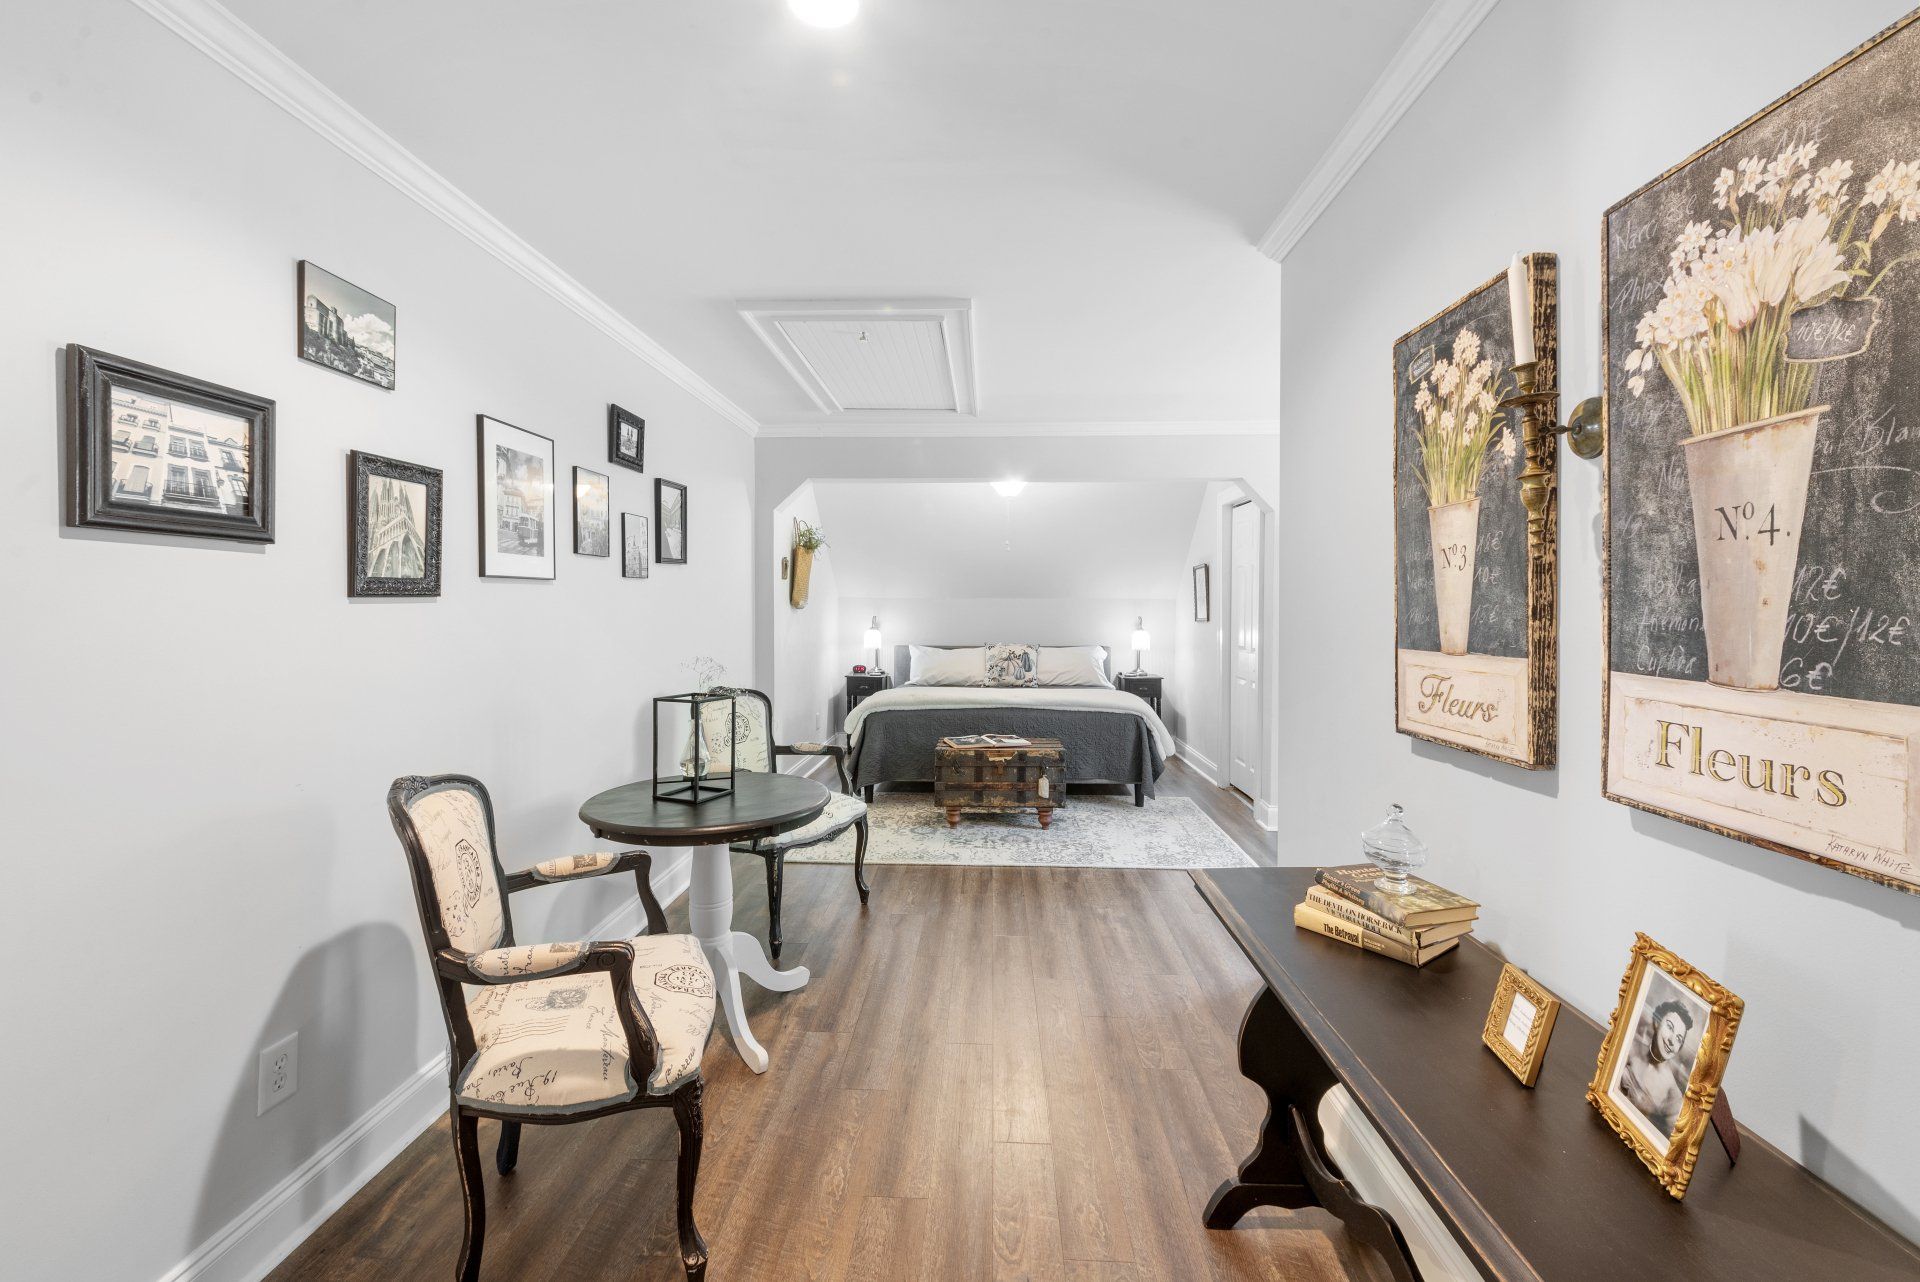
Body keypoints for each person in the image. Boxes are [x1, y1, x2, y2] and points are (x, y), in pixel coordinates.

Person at [1617, 997, 1694, 1138]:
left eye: (1678, 1039)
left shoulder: (1673, 1095)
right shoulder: (1631, 1047)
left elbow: (1665, 1143)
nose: (1671, 1040)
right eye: (1670, 1027)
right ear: (1656, 1023)